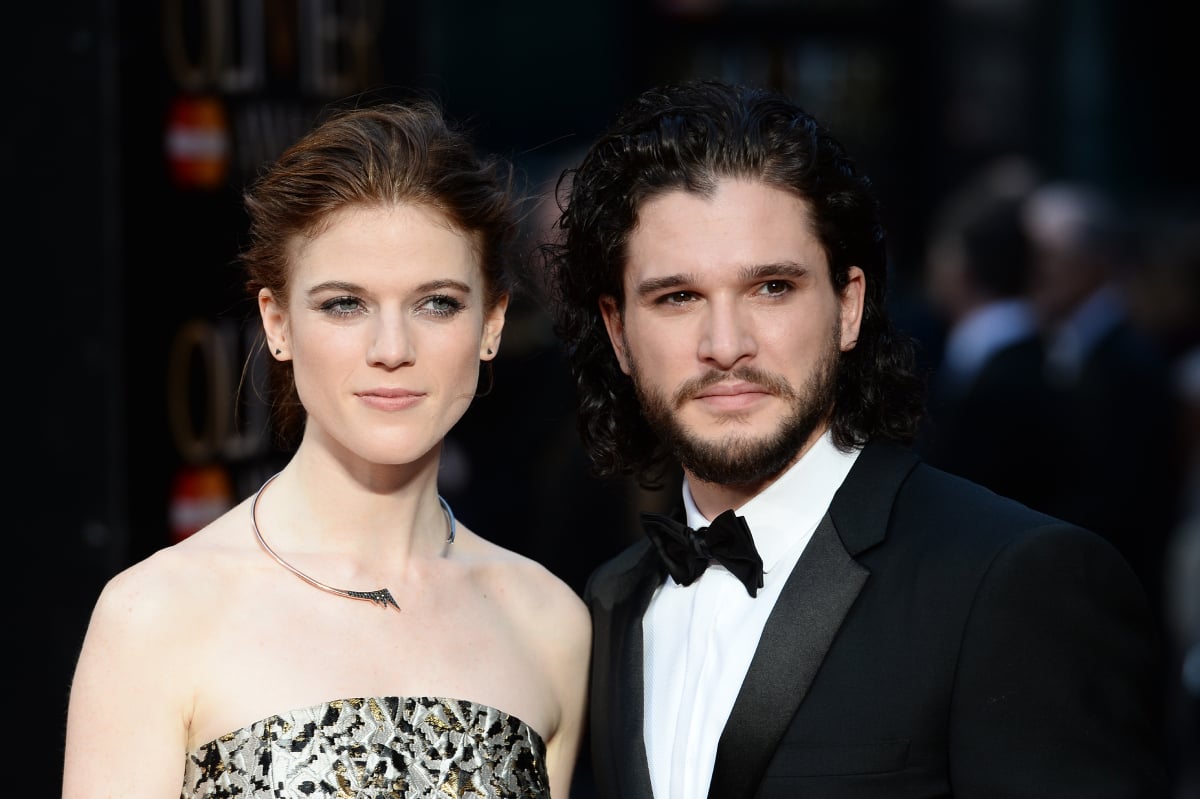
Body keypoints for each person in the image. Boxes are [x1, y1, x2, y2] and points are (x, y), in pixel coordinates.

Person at [541, 78, 1166, 798]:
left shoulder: (1014, 581)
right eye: (678, 297)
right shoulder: (611, 600)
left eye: (771, 287)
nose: (725, 343)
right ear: (619, 333)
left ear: (848, 306)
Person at [63, 99, 590, 799]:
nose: (392, 351)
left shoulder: (548, 621)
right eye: (344, 304)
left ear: (492, 323)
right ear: (277, 324)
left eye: (437, 303)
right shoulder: (157, 614)